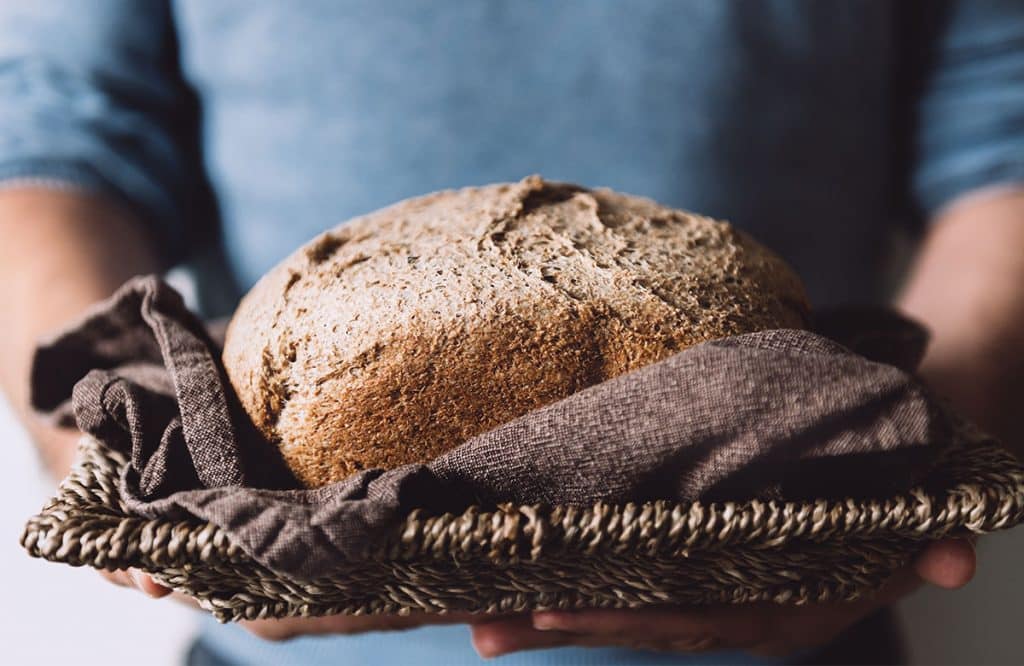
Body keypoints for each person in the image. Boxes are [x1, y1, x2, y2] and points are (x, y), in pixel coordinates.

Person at [1, 1, 1022, 664]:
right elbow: (50, 150)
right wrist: (136, 474)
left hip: (800, 639)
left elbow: (1003, 150)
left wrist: (908, 470)